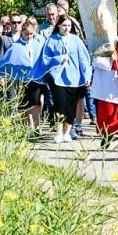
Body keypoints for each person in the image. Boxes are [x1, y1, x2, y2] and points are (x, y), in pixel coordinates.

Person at [32, 14, 92, 143]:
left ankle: (67, 132)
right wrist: (59, 58)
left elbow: (84, 59)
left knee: (71, 106)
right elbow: (45, 59)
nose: (66, 28)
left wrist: (87, 75)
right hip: (57, 78)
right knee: (60, 104)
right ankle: (59, 131)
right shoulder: (51, 40)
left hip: (75, 79)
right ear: (58, 25)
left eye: (69, 26)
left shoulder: (76, 40)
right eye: (64, 25)